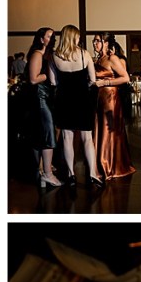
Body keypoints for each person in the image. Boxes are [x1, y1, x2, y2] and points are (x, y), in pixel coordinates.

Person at [51, 24, 102, 188]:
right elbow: (93, 80)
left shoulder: (54, 56)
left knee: (67, 137)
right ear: (74, 37)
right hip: (82, 99)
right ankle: (92, 174)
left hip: (64, 100)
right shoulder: (84, 54)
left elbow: (53, 82)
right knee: (87, 138)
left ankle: (71, 174)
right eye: (78, 36)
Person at [92, 33, 135, 180]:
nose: (94, 43)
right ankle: (98, 165)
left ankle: (109, 165)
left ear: (106, 43)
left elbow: (125, 78)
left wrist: (105, 83)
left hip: (110, 97)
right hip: (99, 98)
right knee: (99, 128)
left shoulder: (112, 58)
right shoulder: (98, 59)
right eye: (94, 41)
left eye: (97, 41)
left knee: (108, 129)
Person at [24, 26, 61, 190]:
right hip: (40, 98)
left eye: (53, 37)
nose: (52, 39)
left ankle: (44, 170)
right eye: (49, 36)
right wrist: (51, 74)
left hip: (47, 97)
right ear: (41, 39)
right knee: (48, 133)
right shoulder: (37, 54)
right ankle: (47, 173)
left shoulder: (49, 55)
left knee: (47, 133)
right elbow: (33, 79)